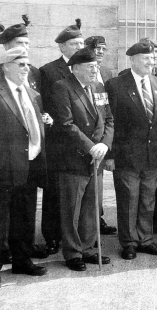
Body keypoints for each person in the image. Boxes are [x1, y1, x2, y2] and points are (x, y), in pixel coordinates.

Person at [104, 42, 157, 260]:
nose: (151, 63)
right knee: (128, 200)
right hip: (126, 156)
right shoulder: (115, 85)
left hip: (152, 156)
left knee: (147, 201)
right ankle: (129, 242)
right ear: (132, 60)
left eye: (152, 58)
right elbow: (110, 121)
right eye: (145, 58)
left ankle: (146, 239)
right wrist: (110, 155)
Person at [51, 47, 113, 271]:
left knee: (91, 207)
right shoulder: (63, 87)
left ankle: (87, 248)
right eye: (90, 67)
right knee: (72, 209)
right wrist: (91, 147)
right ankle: (73, 252)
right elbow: (66, 124)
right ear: (76, 68)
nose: (95, 70)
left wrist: (105, 144)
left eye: (96, 66)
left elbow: (109, 119)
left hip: (96, 158)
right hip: (74, 158)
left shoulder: (98, 87)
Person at [0, 47, 52, 276]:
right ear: (6, 67)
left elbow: (28, 124)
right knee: (1, 219)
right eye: (20, 64)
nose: (26, 69)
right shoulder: (1, 93)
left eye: (28, 64)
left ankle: (22, 261)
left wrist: (44, 123)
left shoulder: (33, 94)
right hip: (4, 168)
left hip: (30, 165)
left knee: (24, 217)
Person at [39, 18, 85, 256]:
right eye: (75, 44)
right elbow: (46, 105)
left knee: (81, 196)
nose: (80, 47)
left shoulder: (88, 68)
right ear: (62, 47)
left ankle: (80, 237)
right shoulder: (48, 71)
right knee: (54, 192)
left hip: (84, 141)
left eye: (81, 43)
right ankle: (52, 236)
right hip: (59, 141)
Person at [83, 35, 117, 236]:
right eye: (96, 49)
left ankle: (98, 220)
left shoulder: (106, 72)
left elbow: (109, 111)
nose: (100, 53)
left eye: (104, 49)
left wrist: (108, 146)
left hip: (103, 139)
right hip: (86, 141)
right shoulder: (84, 71)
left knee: (98, 187)